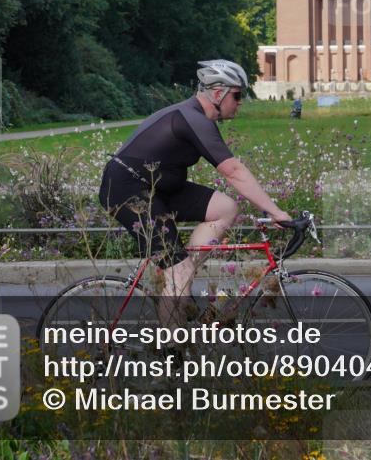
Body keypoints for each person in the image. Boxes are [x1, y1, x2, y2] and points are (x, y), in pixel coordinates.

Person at [99, 59, 291, 324]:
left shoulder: (194, 116)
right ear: (217, 93)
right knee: (179, 272)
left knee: (226, 208)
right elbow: (233, 171)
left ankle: (179, 275)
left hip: (157, 188)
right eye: (237, 95)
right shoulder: (192, 119)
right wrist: (276, 212)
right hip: (127, 190)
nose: (240, 101)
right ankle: (170, 351)